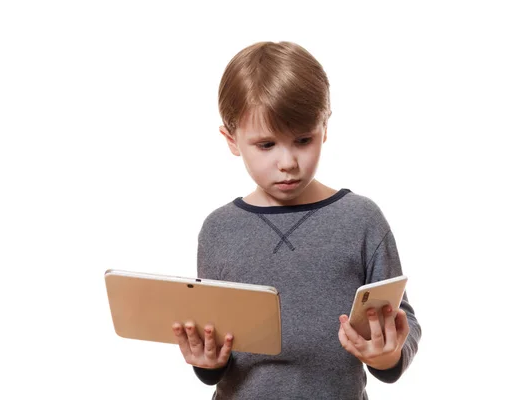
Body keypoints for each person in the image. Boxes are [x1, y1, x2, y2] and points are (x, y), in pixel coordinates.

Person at [171, 41, 421, 399]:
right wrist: (206, 361)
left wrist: (388, 353)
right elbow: (217, 341)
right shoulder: (219, 230)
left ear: (325, 127)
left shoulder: (361, 220)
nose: (287, 161)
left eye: (303, 140)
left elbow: (404, 319)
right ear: (231, 139)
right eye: (266, 144)